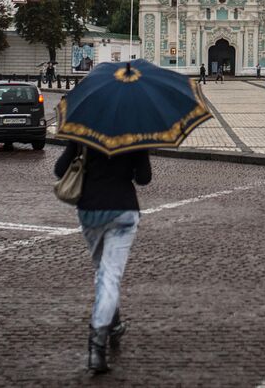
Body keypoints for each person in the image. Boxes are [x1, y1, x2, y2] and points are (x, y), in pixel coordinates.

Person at [53, 141, 151, 374]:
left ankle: (114, 323)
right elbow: (144, 178)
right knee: (110, 275)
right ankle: (97, 343)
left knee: (104, 272)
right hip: (122, 209)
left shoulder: (85, 131)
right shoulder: (135, 132)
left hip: (90, 209)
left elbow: (59, 169)